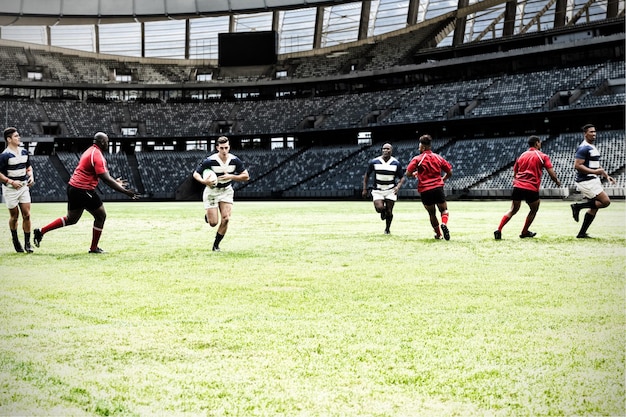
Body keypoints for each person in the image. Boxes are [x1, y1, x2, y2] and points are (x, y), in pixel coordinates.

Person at [33, 132, 139, 253]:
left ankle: (41, 231)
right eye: (107, 141)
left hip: (74, 187)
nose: (108, 143)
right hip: (83, 190)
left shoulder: (90, 151)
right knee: (101, 216)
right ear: (102, 142)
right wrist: (125, 192)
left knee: (71, 219)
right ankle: (94, 248)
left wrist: (115, 182)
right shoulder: (97, 155)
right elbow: (105, 178)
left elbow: (101, 175)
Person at [494, 135, 561, 240]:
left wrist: (518, 182)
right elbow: (551, 173)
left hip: (518, 186)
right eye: (540, 142)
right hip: (531, 187)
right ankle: (524, 232)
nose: (540, 144)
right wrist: (557, 181)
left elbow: (515, 172)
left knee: (513, 209)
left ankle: (499, 229)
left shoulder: (522, 155)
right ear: (537, 143)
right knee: (534, 209)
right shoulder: (542, 156)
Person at [192, 136, 249, 252]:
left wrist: (231, 176)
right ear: (217, 147)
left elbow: (246, 176)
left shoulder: (235, 160)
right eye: (222, 148)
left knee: (226, 218)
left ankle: (216, 245)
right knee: (213, 223)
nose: (224, 150)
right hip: (212, 191)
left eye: (226, 148)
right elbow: (196, 174)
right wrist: (204, 181)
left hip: (226, 190)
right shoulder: (210, 160)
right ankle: (208, 217)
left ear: (229, 147)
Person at [570, 124, 616, 238]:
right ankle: (577, 207)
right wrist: (594, 172)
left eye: (595, 131)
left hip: (592, 180)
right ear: (585, 133)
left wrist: (606, 175)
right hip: (586, 181)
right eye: (591, 132)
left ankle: (581, 233)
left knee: (594, 208)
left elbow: (597, 165)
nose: (594, 134)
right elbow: (577, 165)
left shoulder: (592, 147)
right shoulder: (583, 147)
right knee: (605, 202)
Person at [405, 134, 452, 240]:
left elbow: (408, 173)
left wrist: (414, 174)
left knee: (432, 213)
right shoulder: (438, 157)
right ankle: (444, 224)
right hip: (437, 188)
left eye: (419, 146)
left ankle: (439, 234)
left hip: (425, 190)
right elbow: (450, 172)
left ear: (423, 147)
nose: (418, 148)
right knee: (444, 210)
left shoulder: (417, 159)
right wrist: (442, 180)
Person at [0, 127, 35, 253]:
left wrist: (31, 176)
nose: (18, 137)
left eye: (18, 135)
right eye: (16, 136)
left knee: (27, 214)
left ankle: (27, 244)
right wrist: (11, 182)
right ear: (9, 139)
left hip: (24, 188)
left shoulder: (24, 152)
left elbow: (29, 167)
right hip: (10, 190)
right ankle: (15, 240)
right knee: (14, 217)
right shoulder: (4, 155)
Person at [362, 142, 406, 234]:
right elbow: (367, 175)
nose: (385, 150)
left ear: (391, 151)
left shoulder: (396, 163)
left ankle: (387, 229)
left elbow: (402, 178)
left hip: (391, 190)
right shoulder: (374, 162)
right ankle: (383, 211)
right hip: (378, 190)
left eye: (387, 149)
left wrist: (398, 187)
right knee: (380, 208)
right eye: (384, 149)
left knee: (389, 212)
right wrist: (364, 189)